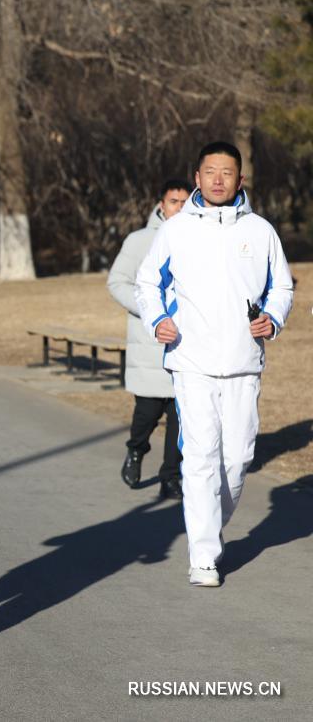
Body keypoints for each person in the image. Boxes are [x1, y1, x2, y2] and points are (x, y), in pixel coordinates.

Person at [135, 141, 293, 588]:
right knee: (201, 454)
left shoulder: (261, 231)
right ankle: (203, 554)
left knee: (238, 457)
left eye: (227, 172)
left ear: (240, 180)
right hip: (191, 359)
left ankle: (209, 527)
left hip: (244, 361)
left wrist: (272, 319)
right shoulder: (177, 229)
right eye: (210, 172)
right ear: (197, 177)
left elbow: (282, 288)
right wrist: (158, 320)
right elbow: (147, 283)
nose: (218, 179)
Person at [107, 179, 190, 500]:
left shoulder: (201, 240)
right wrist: (153, 313)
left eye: (185, 202)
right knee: (148, 412)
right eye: (174, 201)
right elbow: (117, 282)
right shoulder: (140, 241)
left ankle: (171, 476)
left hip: (186, 344)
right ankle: (136, 450)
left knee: (181, 416)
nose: (179, 208)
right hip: (150, 343)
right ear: (161, 205)